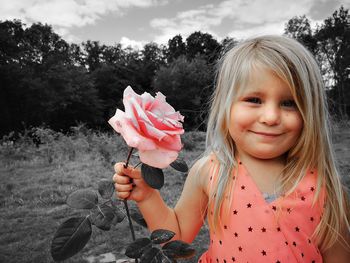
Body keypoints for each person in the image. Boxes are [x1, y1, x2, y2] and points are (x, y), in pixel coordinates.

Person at [113, 35, 350, 262]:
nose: (270, 117)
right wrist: (147, 196)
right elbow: (178, 236)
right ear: (226, 106)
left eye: (289, 103)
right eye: (254, 100)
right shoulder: (210, 171)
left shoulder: (324, 186)